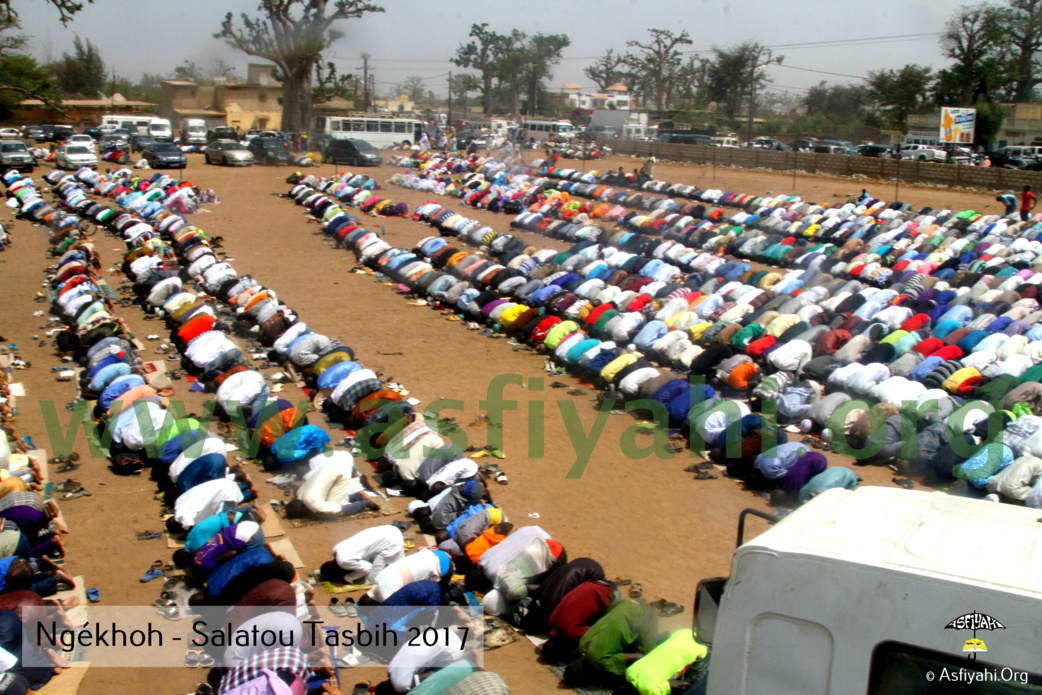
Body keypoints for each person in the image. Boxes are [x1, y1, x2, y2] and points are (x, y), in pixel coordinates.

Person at [284, 451, 378, 519]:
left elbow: (339, 509)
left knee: (334, 506)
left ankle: (365, 502)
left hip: (341, 472)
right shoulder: (299, 494)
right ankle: (357, 495)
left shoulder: (313, 504)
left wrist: (363, 504)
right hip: (329, 467)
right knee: (326, 500)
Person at [319, 525, 405, 584]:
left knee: (372, 580)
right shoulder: (335, 550)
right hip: (388, 529)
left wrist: (348, 578)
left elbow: (368, 568)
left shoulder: (344, 562)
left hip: (391, 542)